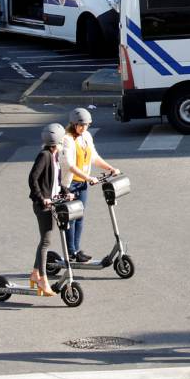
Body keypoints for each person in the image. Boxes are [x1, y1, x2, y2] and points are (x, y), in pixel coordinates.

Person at [61, 108, 120, 263]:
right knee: (71, 218)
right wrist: (88, 177)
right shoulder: (67, 139)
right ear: (73, 124)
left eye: (86, 125)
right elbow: (69, 165)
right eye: (81, 125)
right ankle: (71, 252)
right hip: (70, 184)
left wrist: (110, 168)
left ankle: (77, 250)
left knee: (80, 217)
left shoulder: (86, 136)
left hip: (82, 184)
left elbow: (94, 157)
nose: (84, 128)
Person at [27, 123, 71, 297]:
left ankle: (35, 273)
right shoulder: (45, 156)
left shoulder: (54, 156)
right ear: (58, 142)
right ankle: (42, 279)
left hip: (51, 202)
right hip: (43, 205)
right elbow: (33, 179)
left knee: (45, 241)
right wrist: (41, 198)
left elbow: (55, 183)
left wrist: (66, 192)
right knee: (45, 242)